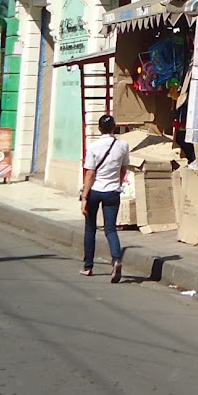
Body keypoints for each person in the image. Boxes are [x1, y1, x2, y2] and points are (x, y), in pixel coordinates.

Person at [79, 113, 128, 282]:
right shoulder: (123, 146)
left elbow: (90, 173)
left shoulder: (93, 147)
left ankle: (88, 267)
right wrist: (118, 184)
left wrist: (84, 197)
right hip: (113, 192)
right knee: (110, 229)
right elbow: (123, 169)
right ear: (114, 127)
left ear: (99, 129)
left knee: (90, 228)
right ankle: (116, 259)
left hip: (95, 191)